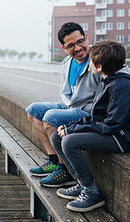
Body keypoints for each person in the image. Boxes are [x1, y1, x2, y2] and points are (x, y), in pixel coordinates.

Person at [50, 40, 130, 212]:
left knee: (69, 142)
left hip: (124, 137)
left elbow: (111, 124)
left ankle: (92, 193)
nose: (89, 65)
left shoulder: (121, 86)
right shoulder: (108, 80)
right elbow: (97, 117)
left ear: (99, 67)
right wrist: (71, 126)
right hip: (113, 130)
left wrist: (72, 130)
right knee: (56, 137)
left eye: (91, 62)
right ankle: (82, 183)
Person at [26, 22, 100, 187]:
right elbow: (64, 92)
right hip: (70, 105)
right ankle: (53, 159)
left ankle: (65, 169)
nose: (78, 48)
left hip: (88, 110)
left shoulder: (98, 56)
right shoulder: (67, 62)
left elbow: (120, 69)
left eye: (81, 41)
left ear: (86, 38)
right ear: (64, 48)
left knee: (51, 118)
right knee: (33, 110)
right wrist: (66, 105)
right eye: (71, 45)